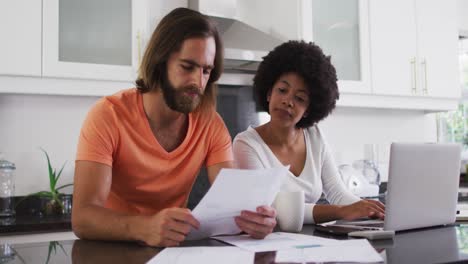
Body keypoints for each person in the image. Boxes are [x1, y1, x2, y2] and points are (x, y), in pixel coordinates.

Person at [72, 7, 276, 247]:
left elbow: (235, 203)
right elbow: (83, 217)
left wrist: (255, 220)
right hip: (112, 250)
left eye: (206, 71)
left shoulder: (210, 125)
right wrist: (145, 227)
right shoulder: (108, 115)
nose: (197, 82)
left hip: (171, 250)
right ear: (160, 62)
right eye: (187, 67)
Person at [233, 41, 385, 224]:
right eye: (282, 90)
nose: (288, 101)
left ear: (308, 109)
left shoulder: (314, 136)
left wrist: (371, 211)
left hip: (308, 244)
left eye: (299, 98)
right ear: (268, 94)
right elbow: (272, 207)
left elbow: (338, 193)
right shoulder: (246, 144)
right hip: (268, 246)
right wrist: (342, 211)